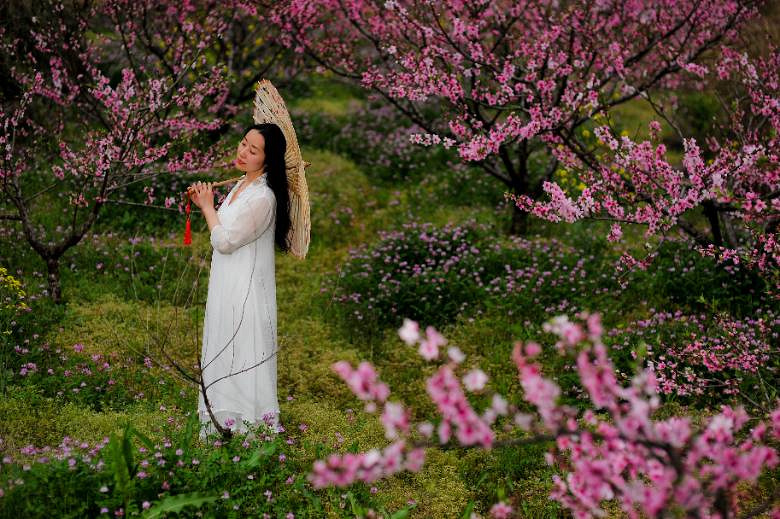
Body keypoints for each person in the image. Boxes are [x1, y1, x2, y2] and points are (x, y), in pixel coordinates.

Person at [187, 123, 293, 440]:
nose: (243, 152)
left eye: (253, 150)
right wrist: (207, 204)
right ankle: (223, 426)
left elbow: (225, 241)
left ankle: (252, 433)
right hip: (225, 287)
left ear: (267, 159)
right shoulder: (239, 187)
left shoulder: (264, 198)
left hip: (246, 294)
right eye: (243, 143)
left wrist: (207, 207)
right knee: (223, 350)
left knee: (243, 355)